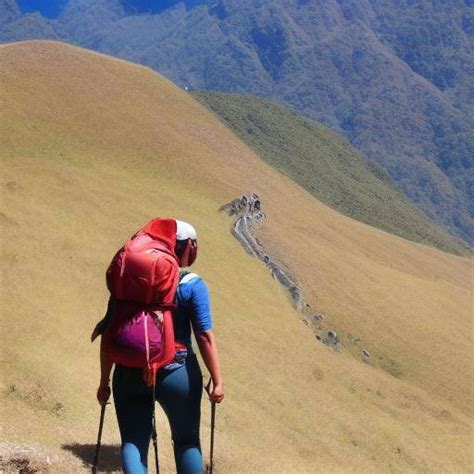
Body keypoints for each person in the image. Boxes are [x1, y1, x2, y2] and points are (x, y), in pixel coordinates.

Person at [96, 220, 224, 474]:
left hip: (129, 370)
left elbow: (109, 331)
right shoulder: (192, 284)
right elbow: (204, 336)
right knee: (187, 441)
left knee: (134, 442)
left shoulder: (130, 282)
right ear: (188, 246)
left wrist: (104, 381)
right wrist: (217, 380)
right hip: (177, 372)